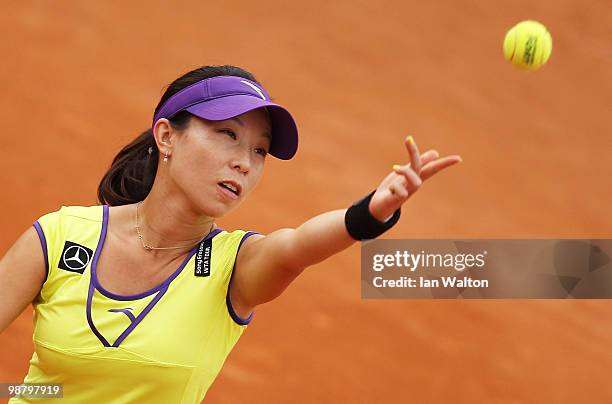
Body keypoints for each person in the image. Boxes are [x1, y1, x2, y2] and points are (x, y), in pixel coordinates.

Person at [0, 65, 461, 403]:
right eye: (227, 134)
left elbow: (298, 246)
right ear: (166, 136)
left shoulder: (233, 269)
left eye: (260, 150)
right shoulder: (60, 235)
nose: (245, 161)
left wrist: (371, 212)